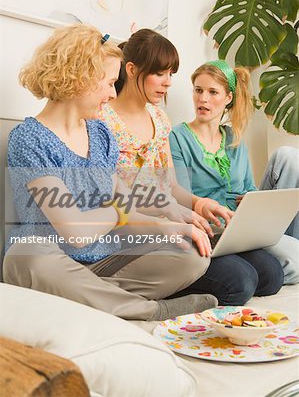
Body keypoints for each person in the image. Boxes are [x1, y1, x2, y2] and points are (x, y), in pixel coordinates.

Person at [3, 24, 221, 322]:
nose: (111, 93)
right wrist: (120, 212)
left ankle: (89, 298)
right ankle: (147, 310)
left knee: (190, 256)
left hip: (103, 261)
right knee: (27, 255)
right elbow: (76, 231)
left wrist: (170, 226)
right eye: (108, 83)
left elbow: (125, 202)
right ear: (79, 79)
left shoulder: (101, 133)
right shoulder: (29, 139)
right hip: (52, 258)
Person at [100, 30, 284, 305]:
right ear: (131, 69)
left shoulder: (159, 118)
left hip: (170, 221)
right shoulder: (103, 118)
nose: (168, 83)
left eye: (171, 74)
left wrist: (199, 205)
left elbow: (171, 187)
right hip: (138, 230)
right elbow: (112, 200)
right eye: (161, 74)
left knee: (271, 275)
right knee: (241, 282)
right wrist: (170, 219)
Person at [169, 60, 299, 291]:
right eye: (198, 90)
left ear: (228, 98)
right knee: (287, 265)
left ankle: (278, 246)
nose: (203, 99)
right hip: (215, 228)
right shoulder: (178, 137)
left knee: (291, 158)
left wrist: (252, 199)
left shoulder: (234, 139)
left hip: (245, 225)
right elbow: (180, 195)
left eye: (212, 92)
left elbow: (249, 186)